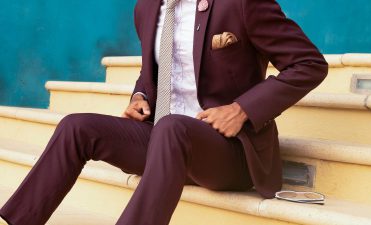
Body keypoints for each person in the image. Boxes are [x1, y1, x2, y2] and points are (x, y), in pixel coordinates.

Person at [0, 0, 328, 224]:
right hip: (166, 143)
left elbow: (309, 64)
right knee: (77, 127)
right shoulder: (149, 7)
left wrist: (242, 109)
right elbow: (153, 71)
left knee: (172, 127)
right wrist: (140, 95)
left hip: (229, 151)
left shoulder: (241, 3)